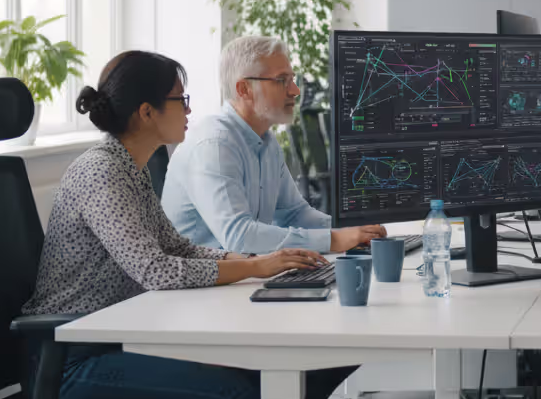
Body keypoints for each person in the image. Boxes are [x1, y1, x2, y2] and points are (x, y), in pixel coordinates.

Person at [22, 50, 368, 399]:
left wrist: (247, 263)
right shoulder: (102, 172)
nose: (189, 109)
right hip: (73, 359)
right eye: (180, 100)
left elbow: (177, 246)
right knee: (233, 396)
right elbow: (156, 270)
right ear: (147, 112)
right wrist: (251, 266)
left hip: (116, 337)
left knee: (253, 380)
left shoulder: (131, 167)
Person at [163, 36, 385, 254]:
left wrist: (355, 232)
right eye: (282, 80)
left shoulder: (266, 141)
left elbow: (293, 214)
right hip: (197, 285)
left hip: (242, 275)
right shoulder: (215, 144)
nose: (295, 91)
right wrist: (334, 239)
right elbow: (239, 237)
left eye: (292, 79)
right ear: (244, 89)